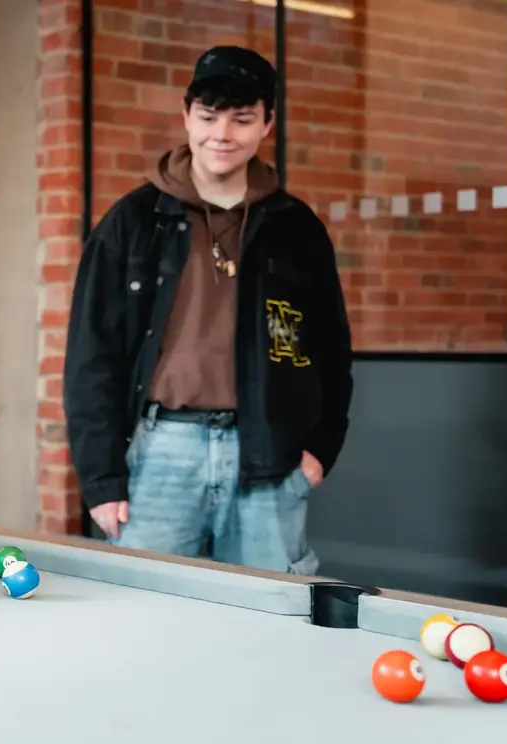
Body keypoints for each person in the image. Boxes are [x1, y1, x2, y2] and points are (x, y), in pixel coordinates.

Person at [63, 45, 353, 575]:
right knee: (148, 612)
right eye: (209, 115)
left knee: (270, 615)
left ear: (266, 124)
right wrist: (101, 477)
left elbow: (331, 349)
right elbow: (91, 355)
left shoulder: (295, 228)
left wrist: (321, 446)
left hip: (267, 452)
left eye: (242, 119)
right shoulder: (132, 222)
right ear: (186, 115)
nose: (222, 134)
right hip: (159, 452)